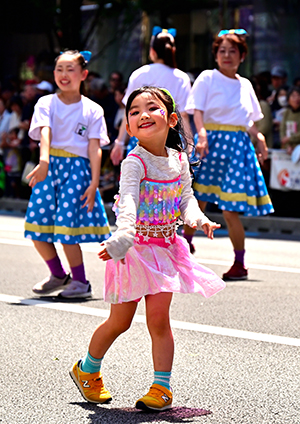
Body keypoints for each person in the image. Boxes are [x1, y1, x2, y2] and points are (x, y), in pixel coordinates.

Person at [70, 86, 225, 410]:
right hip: (134, 251)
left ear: (170, 119)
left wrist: (198, 219)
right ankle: (87, 370)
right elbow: (127, 200)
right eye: (135, 111)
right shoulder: (134, 162)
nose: (142, 114)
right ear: (128, 126)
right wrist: (123, 236)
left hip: (166, 250)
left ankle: (161, 388)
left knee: (159, 320)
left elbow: (186, 198)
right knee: (119, 322)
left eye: (151, 108)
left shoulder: (179, 159)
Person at [184, 29, 274, 280]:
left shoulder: (245, 84)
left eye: (232, 51)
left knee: (230, 208)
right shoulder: (207, 78)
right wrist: (201, 134)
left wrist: (259, 137)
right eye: (221, 50)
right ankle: (184, 246)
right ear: (215, 55)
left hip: (236, 147)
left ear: (242, 56)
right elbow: (197, 111)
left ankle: (240, 263)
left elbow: (249, 121)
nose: (226, 55)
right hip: (210, 143)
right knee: (198, 198)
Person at [24, 50, 111, 298]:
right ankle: (59, 275)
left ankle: (81, 282)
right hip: (48, 169)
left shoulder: (93, 109)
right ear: (53, 74)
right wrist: (44, 161)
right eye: (59, 69)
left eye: (70, 69)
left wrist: (94, 183)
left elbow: (95, 147)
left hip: (77, 172)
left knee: (66, 230)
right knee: (36, 227)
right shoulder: (46, 103)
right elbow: (45, 133)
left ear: (83, 74)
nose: (64, 74)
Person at [110, 26, 192, 165]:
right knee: (168, 184)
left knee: (139, 182)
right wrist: (189, 145)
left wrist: (119, 142)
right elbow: (183, 115)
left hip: (141, 138)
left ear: (152, 51)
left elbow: (129, 112)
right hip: (170, 140)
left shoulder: (139, 74)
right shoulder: (181, 78)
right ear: (173, 51)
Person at [280, 86, 300, 155]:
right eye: (293, 96)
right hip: (287, 149)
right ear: (288, 100)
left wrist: (290, 139)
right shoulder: (286, 113)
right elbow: (282, 129)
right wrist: (287, 145)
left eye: (298, 95)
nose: (297, 99)